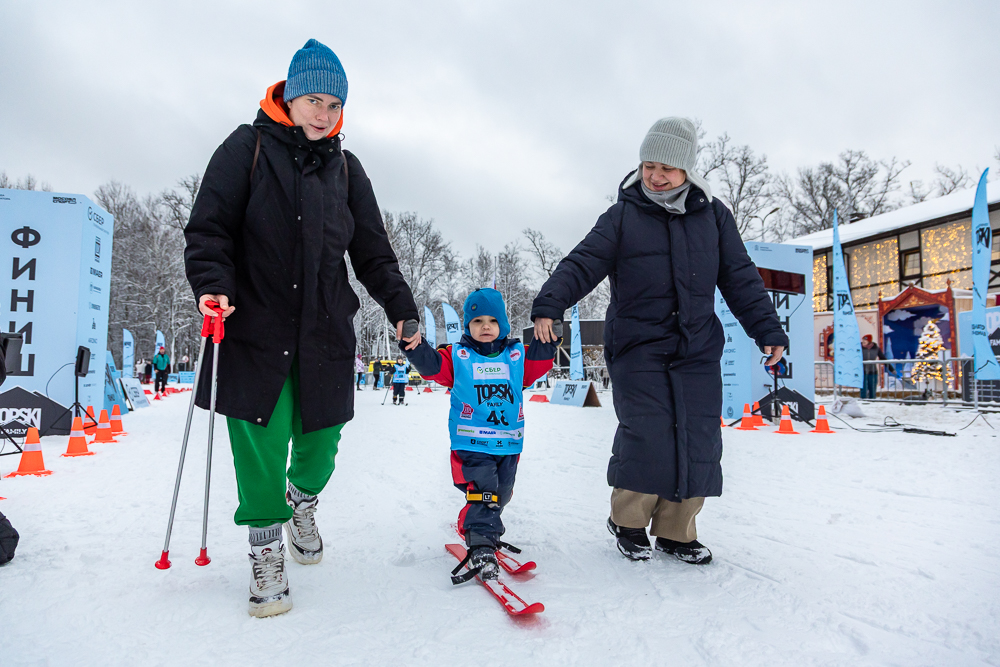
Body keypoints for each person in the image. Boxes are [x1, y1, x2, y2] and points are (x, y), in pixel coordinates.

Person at [184, 39, 420, 618]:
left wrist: (400, 308)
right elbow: (209, 227)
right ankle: (265, 550)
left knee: (321, 445)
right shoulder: (247, 147)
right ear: (289, 95)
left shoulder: (347, 169)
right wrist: (213, 284)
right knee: (260, 447)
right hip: (253, 330)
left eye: (335, 104)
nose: (324, 112)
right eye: (314, 98)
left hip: (323, 333)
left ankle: (303, 500)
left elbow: (373, 252)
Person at [531, 117, 788, 564]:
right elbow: (582, 263)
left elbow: (741, 278)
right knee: (647, 432)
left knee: (697, 433)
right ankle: (628, 522)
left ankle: (677, 530)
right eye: (649, 165)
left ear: (688, 169)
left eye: (666, 167)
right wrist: (549, 304)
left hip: (696, 347)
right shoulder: (623, 216)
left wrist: (767, 329)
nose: (656, 175)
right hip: (638, 346)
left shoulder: (715, 217)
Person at [402, 289, 559, 580]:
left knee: (501, 493)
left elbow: (537, 366)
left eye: (491, 320)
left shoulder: (515, 356)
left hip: (508, 443)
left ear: (503, 325)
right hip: (471, 442)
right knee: (484, 492)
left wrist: (547, 342)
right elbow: (432, 367)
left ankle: (476, 523)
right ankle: (481, 542)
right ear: (467, 326)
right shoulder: (458, 356)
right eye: (477, 321)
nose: (485, 327)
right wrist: (415, 346)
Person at [860, 335, 885, 399]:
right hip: (862, 370)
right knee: (863, 387)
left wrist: (891, 369)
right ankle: (863, 399)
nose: (863, 342)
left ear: (869, 341)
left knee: (872, 387)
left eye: (865, 341)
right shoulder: (859, 348)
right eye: (863, 341)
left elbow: (883, 358)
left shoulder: (875, 348)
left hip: (873, 371)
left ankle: (872, 399)